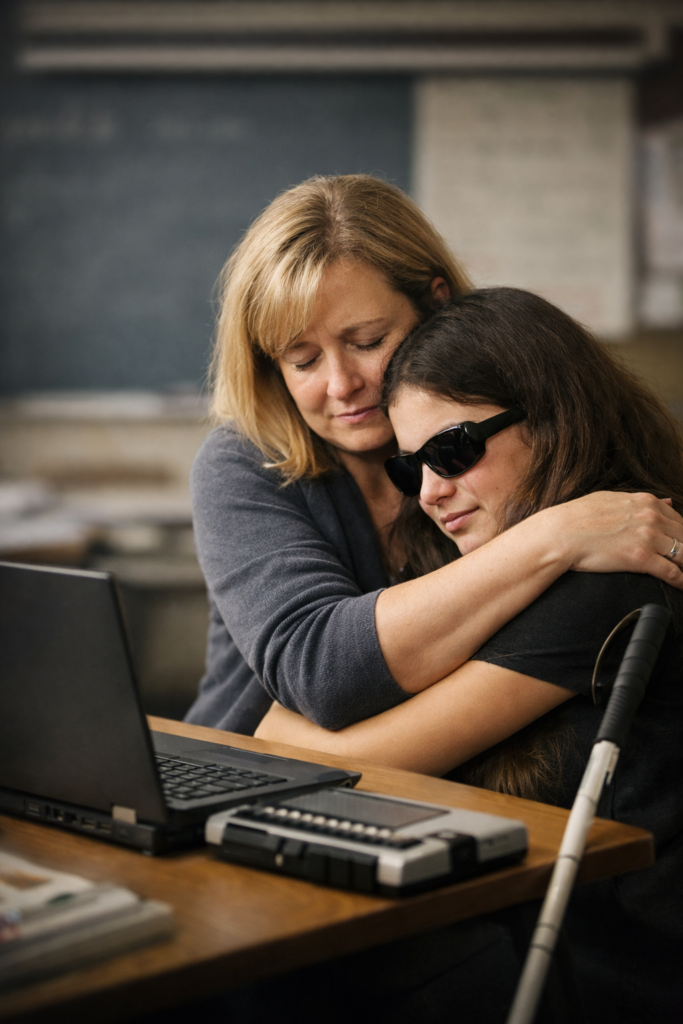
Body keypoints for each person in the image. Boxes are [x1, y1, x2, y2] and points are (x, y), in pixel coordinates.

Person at [255, 288, 683, 1023]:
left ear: (554, 418)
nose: (429, 492)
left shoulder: (611, 584)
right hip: (536, 930)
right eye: (408, 468)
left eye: (452, 451)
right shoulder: (494, 578)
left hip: (619, 969)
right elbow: (290, 720)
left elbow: (309, 749)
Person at [185, 174, 683, 741]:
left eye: (368, 342)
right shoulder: (241, 463)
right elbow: (321, 674)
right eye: (303, 361)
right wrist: (558, 536)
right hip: (238, 769)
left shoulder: (513, 447)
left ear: (435, 301)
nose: (342, 385)